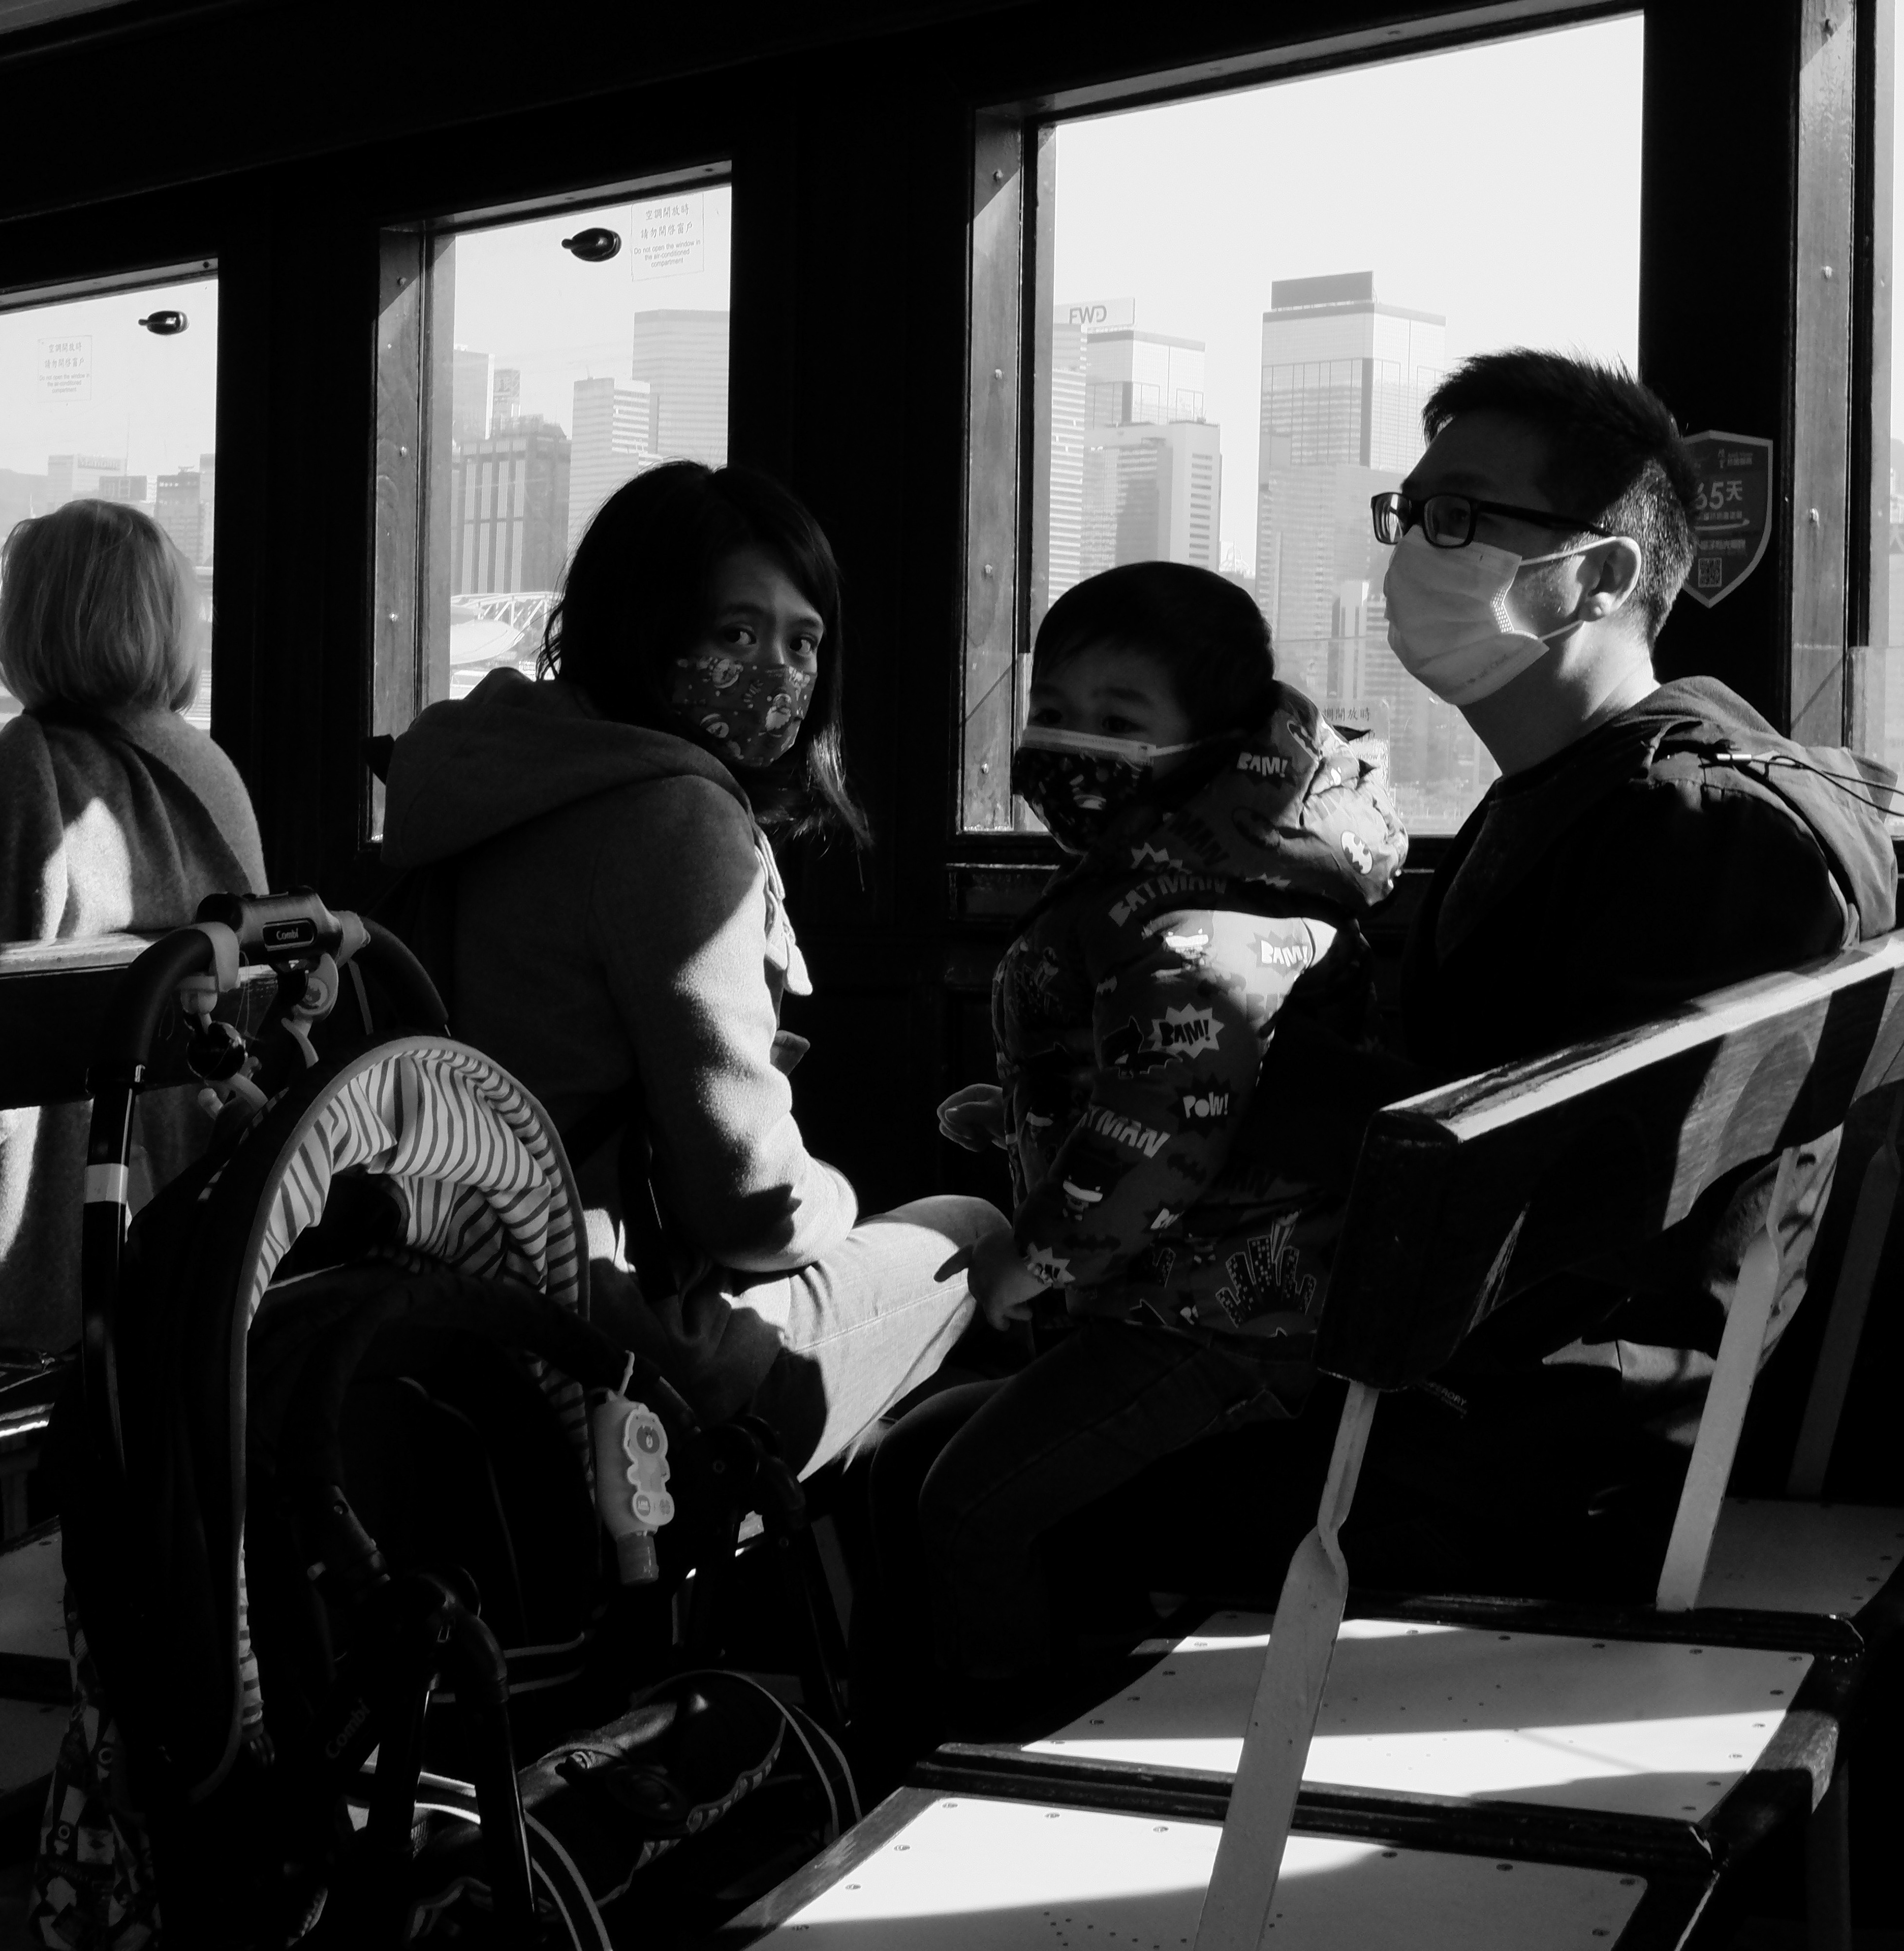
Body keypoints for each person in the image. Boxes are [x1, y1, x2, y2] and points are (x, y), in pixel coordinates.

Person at [1242, 350, 1900, 1590]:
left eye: (1463, 517)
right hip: (1500, 1394)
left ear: (1602, 574)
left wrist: (1263, 1082)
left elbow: (1589, 1207)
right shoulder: (1583, 798)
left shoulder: (1698, 829)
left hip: (1563, 1453)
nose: (1416, 552)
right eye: (1412, 513)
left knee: (991, 1495)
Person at [381, 461, 1005, 1478]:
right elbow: (752, 1213)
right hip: (617, 1344)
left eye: (802, 641)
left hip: (440, 1308)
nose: (777, 671)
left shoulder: (471, 771)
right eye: (734, 634)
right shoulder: (678, 820)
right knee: (971, 1232)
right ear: (646, 626)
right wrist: (844, 1204)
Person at [901, 562, 1406, 1703]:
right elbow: (1168, 1080)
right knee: (934, 1462)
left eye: (1120, 724)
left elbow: (1163, 1123)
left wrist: (1027, 1258)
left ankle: (1003, 1749)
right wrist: (1032, 1115)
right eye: (1056, 715)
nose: (1074, 748)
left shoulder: (1203, 918)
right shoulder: (1194, 871)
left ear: (1212, 743)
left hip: (1220, 1320)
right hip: (1181, 1290)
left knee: (968, 1504)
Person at [0, 499, 266, 1350]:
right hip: (199, 1233)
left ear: (32, 621)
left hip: (43, 1248)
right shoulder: (217, 775)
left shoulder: (24, 765)